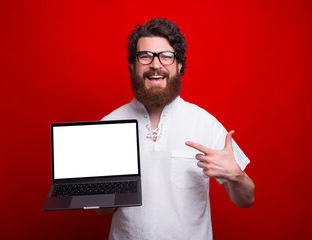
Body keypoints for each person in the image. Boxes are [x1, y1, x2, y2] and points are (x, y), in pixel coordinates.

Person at [97, 17, 255, 240]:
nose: (155, 64)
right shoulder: (109, 125)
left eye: (166, 56)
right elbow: (103, 210)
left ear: (179, 65)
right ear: (132, 66)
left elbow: (246, 199)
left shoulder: (204, 123)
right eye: (145, 56)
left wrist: (237, 176)